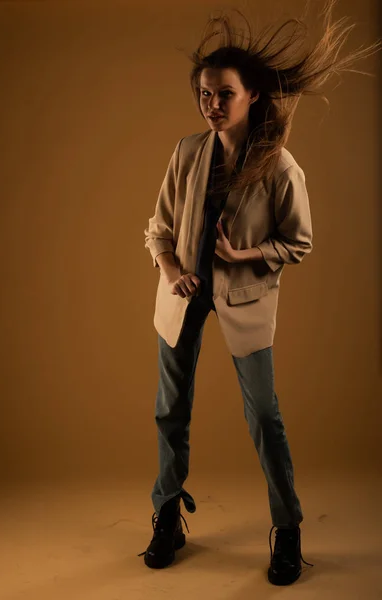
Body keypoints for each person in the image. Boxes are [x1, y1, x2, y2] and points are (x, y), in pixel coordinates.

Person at [138, 0, 381, 586]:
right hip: (182, 297)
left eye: (224, 93)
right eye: (204, 93)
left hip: (244, 301)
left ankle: (288, 527)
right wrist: (172, 269)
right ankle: (167, 515)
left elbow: (298, 243)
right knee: (169, 410)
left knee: (264, 417)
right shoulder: (186, 152)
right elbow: (158, 231)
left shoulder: (280, 168)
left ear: (251, 96)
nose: (211, 104)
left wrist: (240, 255)